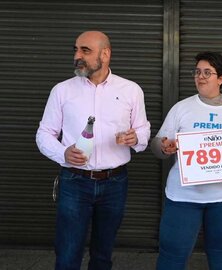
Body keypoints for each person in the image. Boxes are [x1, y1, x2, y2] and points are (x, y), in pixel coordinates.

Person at [36, 30, 151, 270]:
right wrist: (63, 153)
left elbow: (143, 131)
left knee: (103, 254)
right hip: (74, 181)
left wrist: (135, 137)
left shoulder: (131, 90)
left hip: (115, 182)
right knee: (67, 255)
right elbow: (44, 133)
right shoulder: (62, 90)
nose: (77, 56)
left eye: (85, 50)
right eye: (76, 49)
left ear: (105, 54)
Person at [151, 51, 222, 270]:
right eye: (197, 72)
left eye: (207, 72)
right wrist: (163, 146)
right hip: (183, 196)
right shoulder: (181, 108)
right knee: (172, 254)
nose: (200, 76)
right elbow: (157, 146)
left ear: (221, 78)